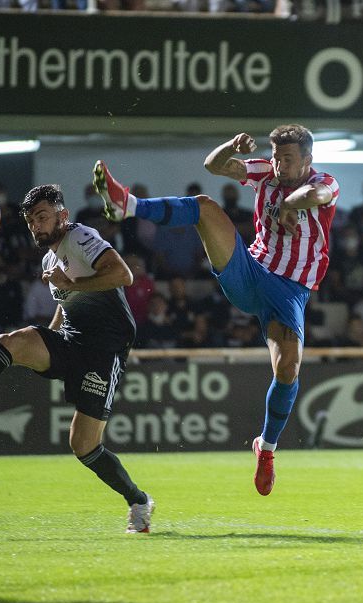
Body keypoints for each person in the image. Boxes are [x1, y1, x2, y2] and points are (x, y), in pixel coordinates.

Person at [92, 123, 338, 495]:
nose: (278, 164)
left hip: (289, 292)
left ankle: (266, 450)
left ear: (307, 159)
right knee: (205, 207)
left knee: (287, 368)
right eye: (275, 156)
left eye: (287, 159)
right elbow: (214, 166)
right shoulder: (264, 173)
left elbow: (317, 194)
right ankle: (127, 205)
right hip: (251, 272)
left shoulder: (326, 181)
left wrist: (290, 202)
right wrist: (230, 146)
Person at [0, 184, 154, 533]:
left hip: (103, 350)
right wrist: (50, 335)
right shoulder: (50, 258)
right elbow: (67, 305)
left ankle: (139, 500)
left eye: (42, 216)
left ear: (62, 216)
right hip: (71, 341)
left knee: (83, 445)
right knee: (9, 342)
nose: (36, 225)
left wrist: (72, 284)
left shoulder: (81, 236)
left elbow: (122, 274)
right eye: (31, 220)